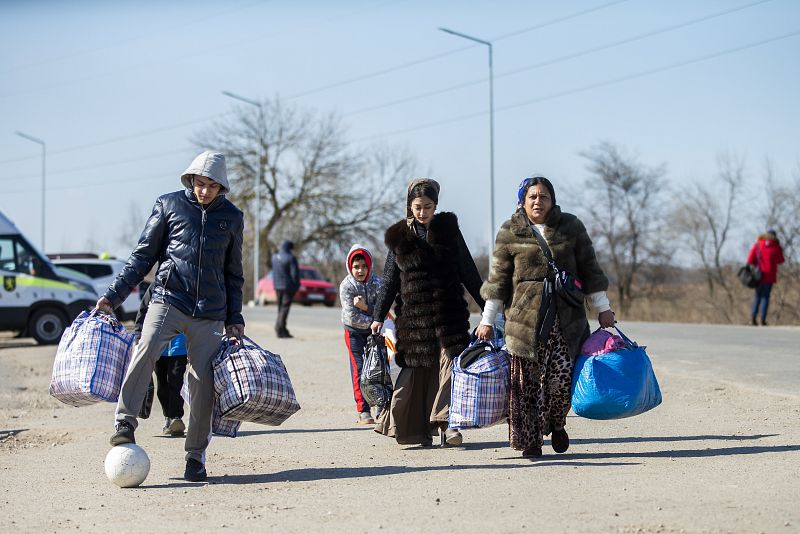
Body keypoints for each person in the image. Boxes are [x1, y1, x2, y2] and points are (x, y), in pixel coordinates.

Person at [96, 150, 245, 482]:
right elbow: (142, 256)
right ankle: (124, 421)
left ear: (222, 187)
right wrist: (113, 296)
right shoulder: (169, 205)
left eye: (212, 186)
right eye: (199, 183)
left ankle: (195, 456)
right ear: (191, 179)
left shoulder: (232, 218)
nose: (204, 191)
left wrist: (235, 316)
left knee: (202, 381)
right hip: (168, 300)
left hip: (210, 312)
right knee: (146, 348)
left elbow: (234, 273)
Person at [476, 175, 615, 458]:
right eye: (533, 197)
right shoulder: (509, 231)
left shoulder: (571, 227)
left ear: (553, 200)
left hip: (566, 321)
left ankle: (557, 423)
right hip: (524, 324)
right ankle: (531, 440)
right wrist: (487, 319)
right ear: (522, 201)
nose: (538, 201)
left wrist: (603, 307)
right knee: (526, 386)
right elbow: (497, 281)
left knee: (560, 382)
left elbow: (591, 270)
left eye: (544, 196)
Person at [371, 178, 485, 448]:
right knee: (418, 377)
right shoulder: (400, 237)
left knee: (451, 369)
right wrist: (378, 315)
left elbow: (468, 270)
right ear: (410, 206)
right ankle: (419, 429)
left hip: (449, 315)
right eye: (418, 207)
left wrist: (488, 308)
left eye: (428, 207)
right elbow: (389, 281)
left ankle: (449, 426)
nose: (423, 213)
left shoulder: (448, 231)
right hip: (415, 319)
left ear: (436, 206)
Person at [135, 282, 188, 437]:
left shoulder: (186, 286)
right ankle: (168, 417)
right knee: (162, 385)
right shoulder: (154, 288)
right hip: (159, 345)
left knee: (176, 381)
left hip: (180, 344)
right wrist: (139, 335)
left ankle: (176, 417)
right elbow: (143, 312)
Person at [339, 245, 383, 425]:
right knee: (359, 369)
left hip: (376, 333)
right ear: (351, 267)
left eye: (364, 266)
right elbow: (352, 316)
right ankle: (363, 410)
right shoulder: (347, 286)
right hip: (354, 333)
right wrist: (373, 319)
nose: (360, 270)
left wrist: (366, 307)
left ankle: (381, 405)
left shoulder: (378, 283)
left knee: (379, 369)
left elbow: (384, 310)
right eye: (356, 266)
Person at [747, 229, 785, 326]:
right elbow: (781, 260)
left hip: (758, 275)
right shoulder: (776, 247)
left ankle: (753, 318)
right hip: (770, 276)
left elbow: (750, 259)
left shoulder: (758, 245)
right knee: (765, 297)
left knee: (757, 296)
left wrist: (757, 264)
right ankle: (762, 320)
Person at [271, 240, 300, 338]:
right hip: (288, 287)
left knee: (280, 308)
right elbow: (294, 274)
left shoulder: (274, 257)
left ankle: (282, 329)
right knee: (285, 309)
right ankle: (279, 329)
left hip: (277, 286)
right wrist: (297, 285)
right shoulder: (291, 258)